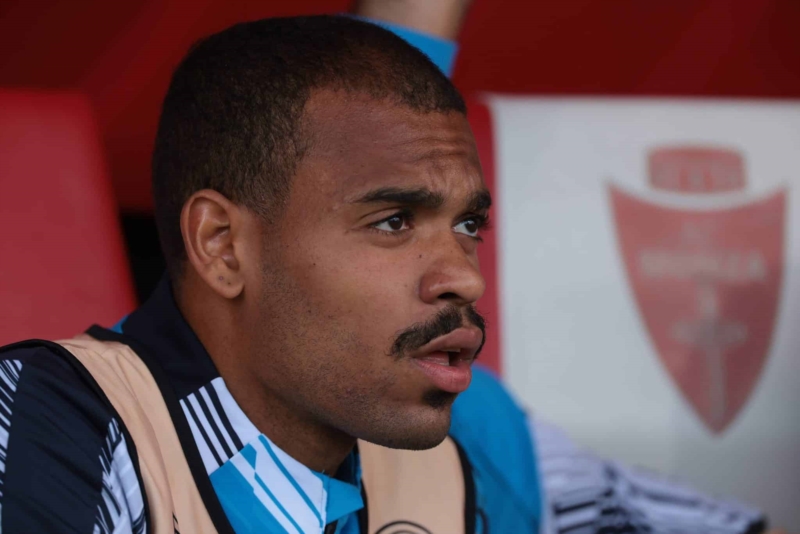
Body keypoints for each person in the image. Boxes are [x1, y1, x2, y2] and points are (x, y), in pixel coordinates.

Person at [0, 1, 779, 533]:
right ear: (222, 246)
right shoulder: (53, 423)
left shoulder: (461, 431)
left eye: (469, 225)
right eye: (394, 222)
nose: (466, 278)